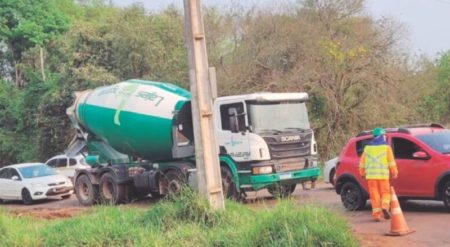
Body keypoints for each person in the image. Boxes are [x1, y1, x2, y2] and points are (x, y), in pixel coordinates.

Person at [359, 127, 398, 221]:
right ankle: (384, 206)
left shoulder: (367, 148)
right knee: (385, 193)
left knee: (374, 195)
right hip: (383, 176)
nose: (385, 137)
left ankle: (376, 215)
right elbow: (391, 162)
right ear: (381, 136)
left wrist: (362, 174)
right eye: (384, 135)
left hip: (371, 177)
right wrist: (394, 173)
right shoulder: (386, 148)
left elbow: (362, 163)